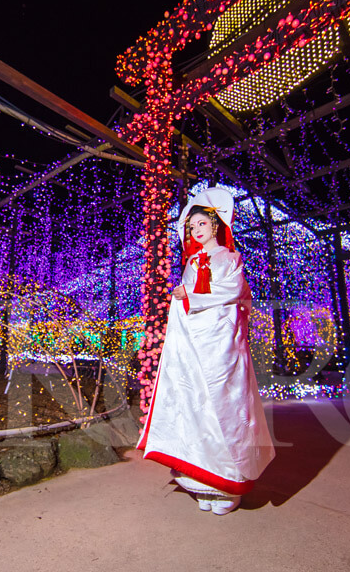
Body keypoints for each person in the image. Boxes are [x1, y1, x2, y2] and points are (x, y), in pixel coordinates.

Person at [136, 187, 275, 515]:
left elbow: (232, 293)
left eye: (202, 224)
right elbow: (187, 302)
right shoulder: (191, 262)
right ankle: (202, 483)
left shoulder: (230, 258)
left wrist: (193, 298)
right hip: (195, 345)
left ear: (216, 226)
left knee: (224, 409)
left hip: (221, 345)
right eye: (192, 226)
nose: (196, 231)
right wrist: (181, 298)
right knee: (197, 408)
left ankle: (229, 487)